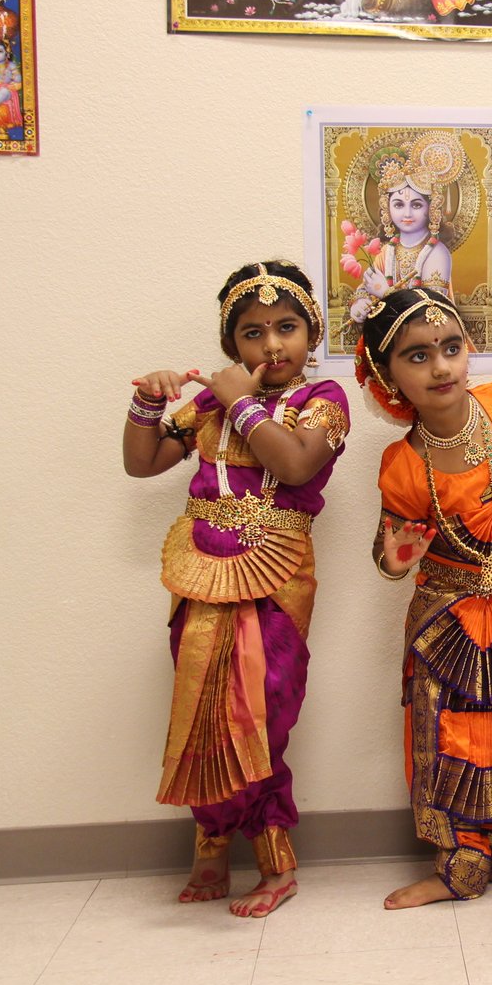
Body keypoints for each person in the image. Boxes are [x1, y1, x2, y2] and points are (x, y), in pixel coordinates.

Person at [123, 260, 350, 917]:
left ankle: (277, 859)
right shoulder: (207, 405)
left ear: (312, 334)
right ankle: (212, 841)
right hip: (198, 570)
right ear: (232, 343)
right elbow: (142, 462)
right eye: (253, 332)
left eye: (287, 328)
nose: (272, 345)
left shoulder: (324, 400)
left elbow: (296, 464)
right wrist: (149, 401)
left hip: (277, 573)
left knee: (262, 711)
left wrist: (240, 401)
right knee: (200, 707)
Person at [359, 286, 492, 908]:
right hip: (446, 620)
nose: (442, 366)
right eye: (418, 356)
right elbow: (388, 554)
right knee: (449, 737)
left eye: (451, 347)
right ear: (388, 376)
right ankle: (456, 864)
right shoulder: (402, 464)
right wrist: (396, 557)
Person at [348, 133, 458, 324]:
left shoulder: (437, 253)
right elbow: (366, 288)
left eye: (416, 205)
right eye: (398, 205)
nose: (407, 213)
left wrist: (386, 292)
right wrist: (360, 304)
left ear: (430, 209)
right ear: (387, 209)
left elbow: (431, 311)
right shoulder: (388, 251)